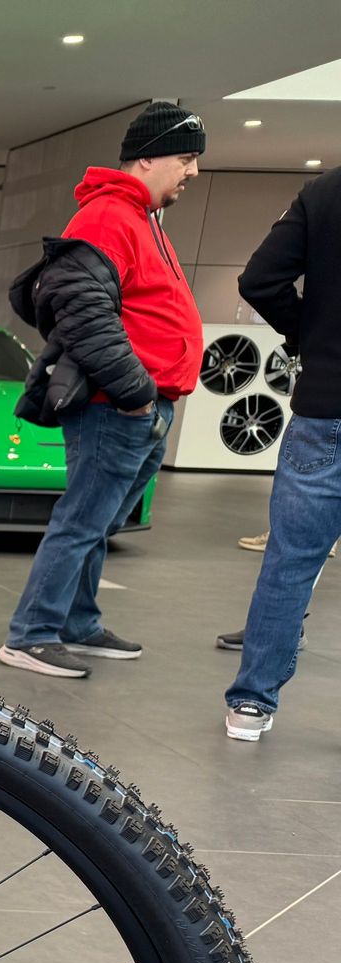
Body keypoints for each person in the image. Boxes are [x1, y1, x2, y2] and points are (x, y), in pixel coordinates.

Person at [0, 102, 206, 678]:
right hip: (117, 405)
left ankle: (77, 622)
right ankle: (31, 634)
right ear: (148, 158)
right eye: (185, 158)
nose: (192, 171)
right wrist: (135, 393)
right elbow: (83, 312)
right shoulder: (107, 216)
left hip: (140, 403)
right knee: (82, 521)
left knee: (100, 522)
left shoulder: (140, 217)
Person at [222, 165, 341, 739]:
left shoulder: (326, 191)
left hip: (324, 406)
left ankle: (251, 703)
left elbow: (260, 280)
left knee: (290, 562)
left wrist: (309, 335)